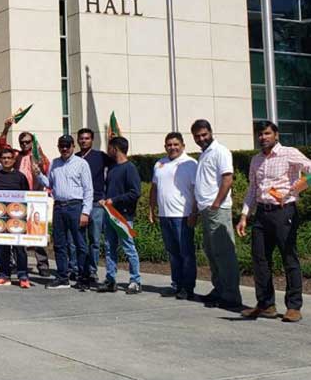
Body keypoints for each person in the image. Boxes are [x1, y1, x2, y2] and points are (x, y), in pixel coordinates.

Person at [237, 121, 311, 322]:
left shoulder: (289, 153)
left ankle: (294, 307)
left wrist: (295, 190)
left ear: (276, 135)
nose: (263, 137)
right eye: (260, 134)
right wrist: (244, 216)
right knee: (259, 259)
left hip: (283, 212)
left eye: (267, 133)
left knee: (289, 257)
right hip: (261, 213)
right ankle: (266, 304)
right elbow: (252, 189)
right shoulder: (256, 160)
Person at [191, 119, 243, 311]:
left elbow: (227, 179)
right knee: (212, 253)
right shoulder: (203, 154)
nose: (201, 138)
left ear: (211, 132)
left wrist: (215, 204)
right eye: (197, 136)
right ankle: (219, 289)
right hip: (206, 210)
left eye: (204, 134)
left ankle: (231, 296)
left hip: (217, 210)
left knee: (224, 253)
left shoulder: (220, 151)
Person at [34, 135, 93, 290]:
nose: (64, 149)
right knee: (59, 244)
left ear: (73, 146)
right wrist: (39, 174)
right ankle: (62, 277)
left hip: (75, 206)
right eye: (62, 146)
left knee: (80, 244)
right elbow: (49, 184)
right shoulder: (55, 163)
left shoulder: (81, 164)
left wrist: (85, 212)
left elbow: (88, 190)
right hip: (59, 207)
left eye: (67, 146)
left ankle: (83, 277)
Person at [149, 132, 198, 300]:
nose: (172, 147)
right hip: (165, 215)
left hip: (182, 216)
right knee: (173, 253)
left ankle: (188, 287)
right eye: (169, 145)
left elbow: (196, 190)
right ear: (165, 147)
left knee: (186, 253)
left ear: (183, 145)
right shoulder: (160, 163)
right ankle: (176, 284)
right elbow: (154, 188)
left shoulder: (190, 163)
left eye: (176, 144)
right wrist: (151, 209)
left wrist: (194, 212)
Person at [95, 137, 142, 294]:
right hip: (110, 214)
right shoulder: (113, 168)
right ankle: (110, 279)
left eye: (110, 148)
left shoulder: (130, 168)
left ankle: (135, 281)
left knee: (129, 248)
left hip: (124, 216)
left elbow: (135, 192)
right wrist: (105, 200)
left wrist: (114, 200)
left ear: (115, 148)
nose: (108, 151)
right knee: (109, 248)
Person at [0, 149, 33, 289]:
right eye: (4, 158)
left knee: (20, 249)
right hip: (0, 218)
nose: (6, 160)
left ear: (14, 160)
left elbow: (27, 197)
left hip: (18, 219)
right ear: (0, 160)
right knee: (2, 249)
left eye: (9, 158)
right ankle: (4, 276)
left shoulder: (20, 177)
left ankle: (23, 276)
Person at [8, 130, 51, 277]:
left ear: (32, 142)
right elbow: (1, 146)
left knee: (37, 232)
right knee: (17, 232)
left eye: (27, 142)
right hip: (19, 198)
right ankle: (18, 264)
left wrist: (38, 162)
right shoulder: (16, 156)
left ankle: (43, 264)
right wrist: (6, 128)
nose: (25, 144)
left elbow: (47, 171)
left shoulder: (39, 156)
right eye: (22, 142)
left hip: (35, 197)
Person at [75, 128, 114, 283]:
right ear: (78, 140)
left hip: (96, 203)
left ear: (92, 140)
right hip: (79, 203)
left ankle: (92, 271)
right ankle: (79, 270)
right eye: (81, 138)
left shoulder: (100, 156)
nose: (84, 141)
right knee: (78, 239)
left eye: (87, 138)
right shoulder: (74, 157)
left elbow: (117, 161)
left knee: (95, 240)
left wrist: (114, 141)